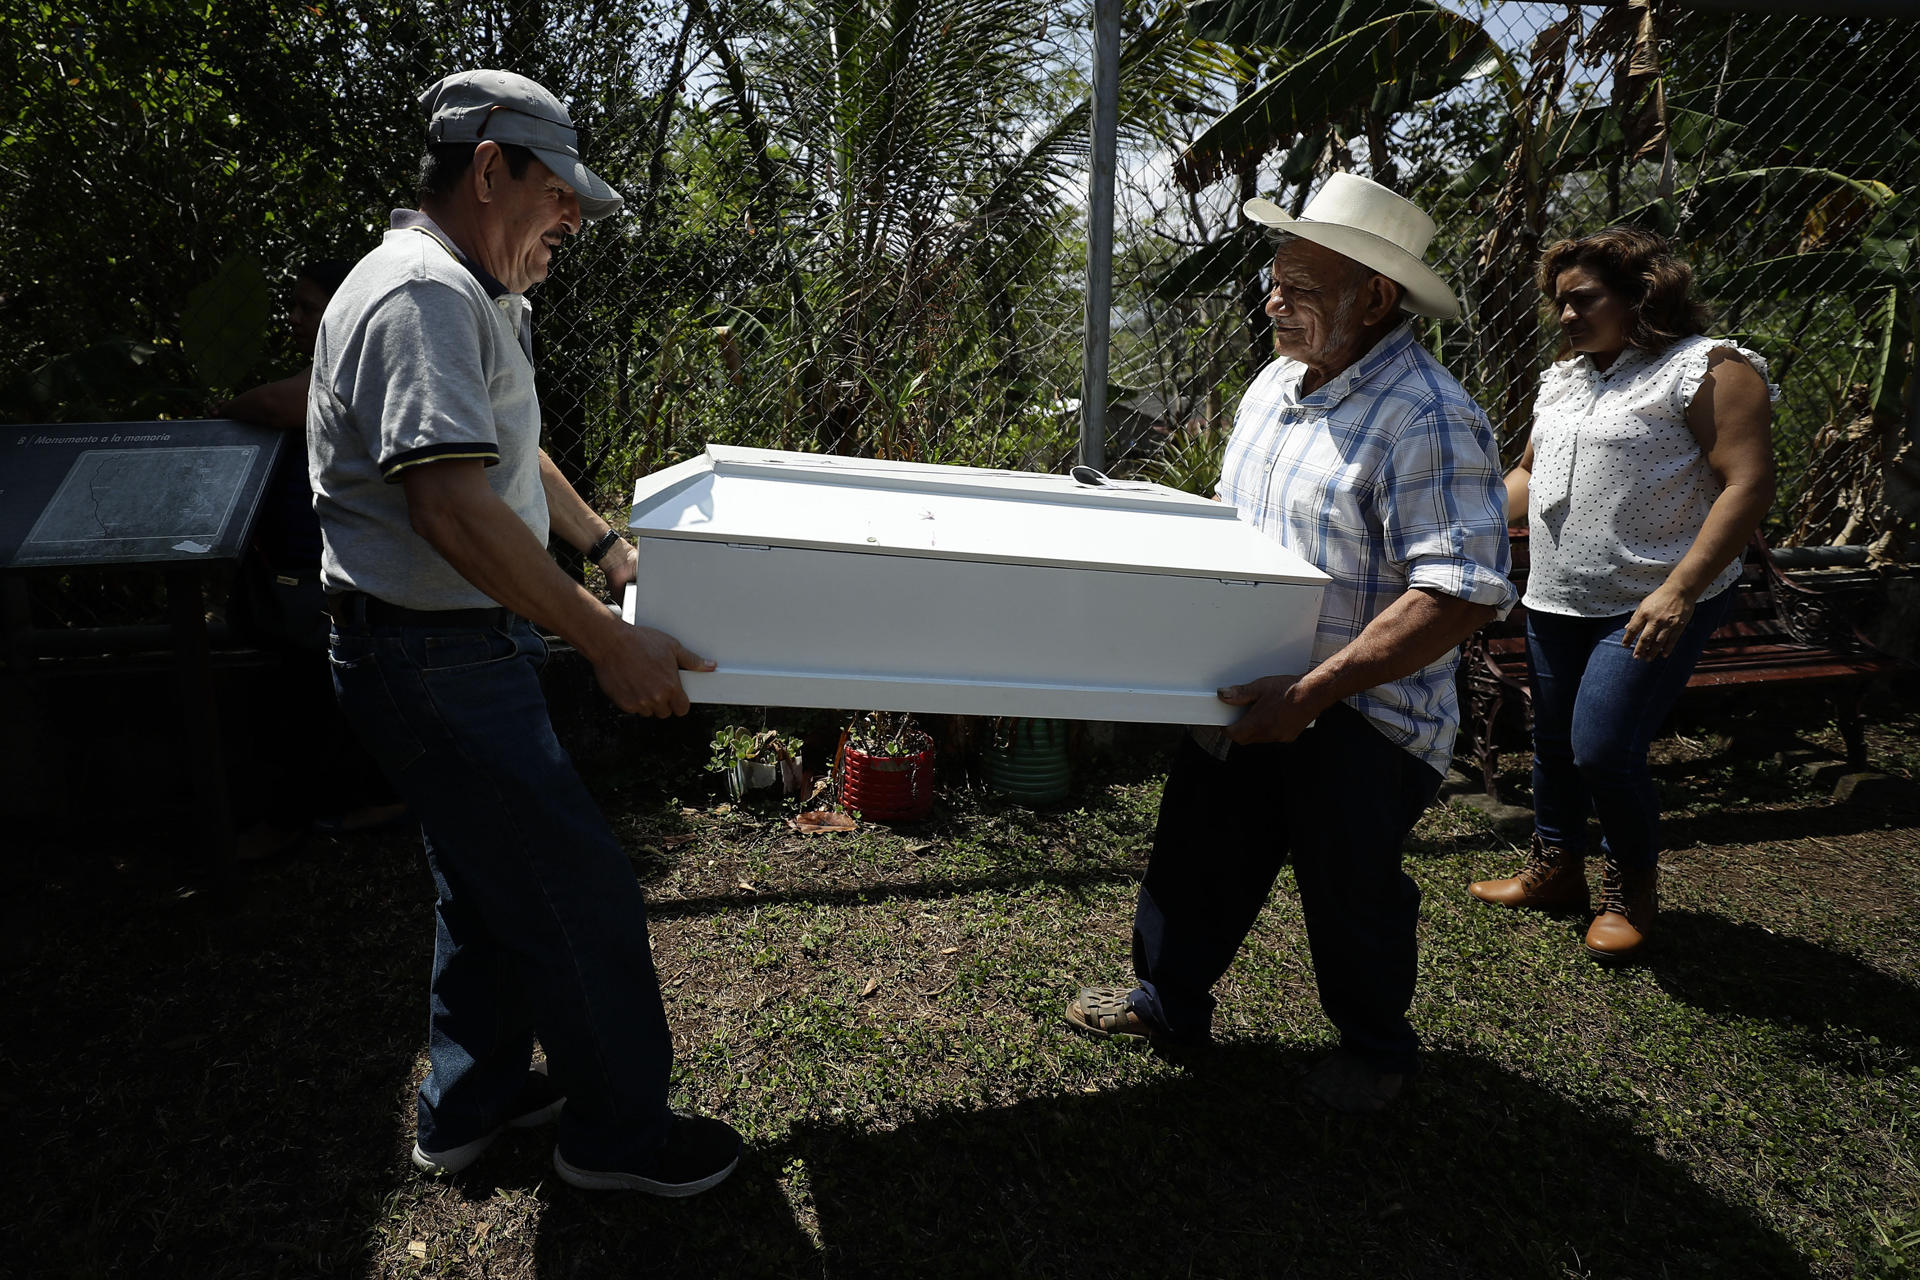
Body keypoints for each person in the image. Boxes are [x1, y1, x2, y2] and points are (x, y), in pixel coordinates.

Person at [309, 69, 741, 1194]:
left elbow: (507, 450)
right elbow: (448, 503)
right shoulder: (421, 298)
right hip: (430, 653)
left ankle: (472, 1099)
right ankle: (618, 1139)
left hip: (439, 650)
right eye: (559, 196)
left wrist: (606, 547)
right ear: (489, 168)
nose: (573, 223)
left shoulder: (472, 293)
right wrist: (607, 637)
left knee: (484, 876)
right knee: (574, 885)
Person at [1065, 173, 1516, 1112]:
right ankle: (1168, 1000)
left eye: (1303, 287)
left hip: (1363, 710)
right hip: (1243, 681)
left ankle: (1375, 1049)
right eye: (1276, 279)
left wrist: (1311, 693)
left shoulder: (1428, 416)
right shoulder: (1277, 383)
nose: (1277, 300)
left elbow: (1460, 593)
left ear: (1377, 298)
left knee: (1349, 886)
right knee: (1197, 848)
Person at [1468, 227, 1775, 960]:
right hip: (1557, 592)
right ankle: (1554, 868)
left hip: (1652, 598)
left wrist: (1680, 591)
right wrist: (1456, 519)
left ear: (1642, 292)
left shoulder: (1707, 368)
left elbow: (1749, 483)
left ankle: (1629, 887)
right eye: (1558, 303)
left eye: (1584, 300)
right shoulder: (1569, 378)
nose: (1566, 316)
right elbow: (1529, 475)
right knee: (1550, 742)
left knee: (1602, 748)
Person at [218, 260, 406, 853]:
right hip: (305, 574)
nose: (294, 319)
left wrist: (225, 406)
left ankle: (354, 805)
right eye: (293, 306)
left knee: (311, 696)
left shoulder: (350, 370)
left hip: (334, 575)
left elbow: (277, 406)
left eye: (308, 307)